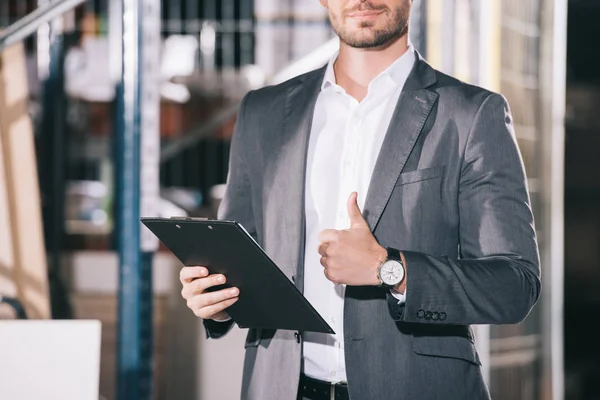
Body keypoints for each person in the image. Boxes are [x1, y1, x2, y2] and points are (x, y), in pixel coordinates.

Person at [179, 0, 542, 399]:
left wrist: (390, 269)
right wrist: (217, 298)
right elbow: (242, 262)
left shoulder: (471, 114)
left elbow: (514, 285)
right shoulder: (262, 112)